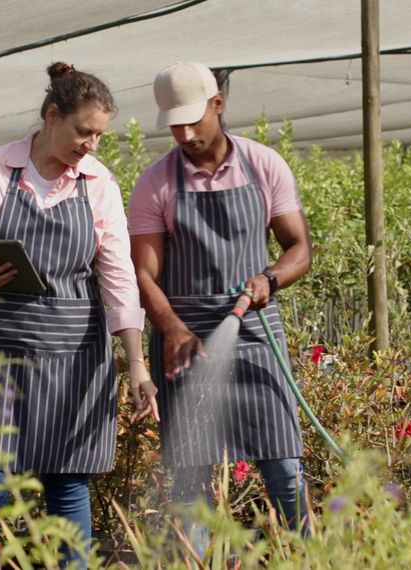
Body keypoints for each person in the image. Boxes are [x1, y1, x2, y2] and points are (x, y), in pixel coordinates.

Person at [0, 62, 159, 570]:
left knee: (66, 484)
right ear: (52, 115)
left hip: (73, 357)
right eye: (85, 132)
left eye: (100, 135)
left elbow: (119, 277)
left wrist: (137, 364)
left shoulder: (99, 183)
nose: (92, 145)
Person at [128, 62, 313, 556]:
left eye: (194, 120)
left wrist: (269, 279)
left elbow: (299, 249)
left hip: (253, 331)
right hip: (183, 340)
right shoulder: (155, 184)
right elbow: (143, 274)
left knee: (284, 467)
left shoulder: (264, 165)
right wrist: (170, 329)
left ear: (218, 104)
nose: (185, 134)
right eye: (174, 124)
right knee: (190, 483)